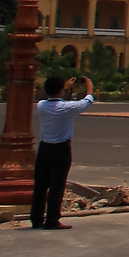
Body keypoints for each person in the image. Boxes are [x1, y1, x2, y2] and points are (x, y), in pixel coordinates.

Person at [31, 75, 94, 230]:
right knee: (57, 185)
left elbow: (54, 96)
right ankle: (52, 219)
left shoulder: (41, 105)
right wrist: (89, 85)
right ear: (61, 90)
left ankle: (36, 218)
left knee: (40, 185)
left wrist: (65, 87)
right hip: (61, 148)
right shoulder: (67, 108)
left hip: (44, 148)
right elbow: (88, 100)